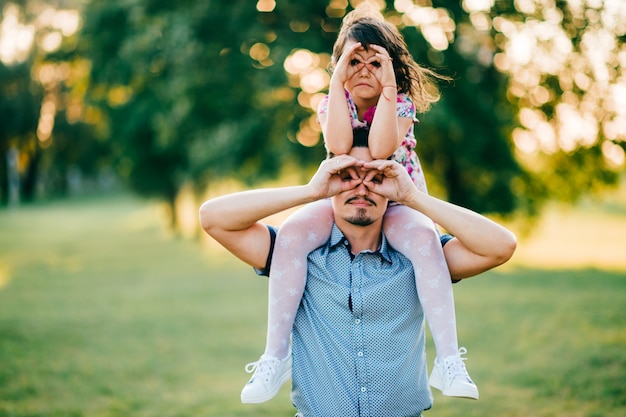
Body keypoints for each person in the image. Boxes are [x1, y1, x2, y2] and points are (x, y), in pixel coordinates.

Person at [242, 5, 474, 404]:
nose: (364, 70)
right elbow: (339, 145)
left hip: (396, 203)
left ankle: (450, 359)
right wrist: (337, 83)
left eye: (375, 61)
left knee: (424, 238)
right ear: (339, 66)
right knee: (294, 232)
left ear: (392, 67)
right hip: (344, 195)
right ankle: (274, 356)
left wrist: (386, 88)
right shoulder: (332, 102)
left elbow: (382, 148)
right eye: (354, 61)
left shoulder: (400, 104)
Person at [199, 138, 516, 416]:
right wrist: (310, 192)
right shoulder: (294, 254)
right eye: (347, 177)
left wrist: (413, 197)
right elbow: (213, 218)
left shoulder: (422, 256)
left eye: (375, 178)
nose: (361, 188)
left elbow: (500, 247)